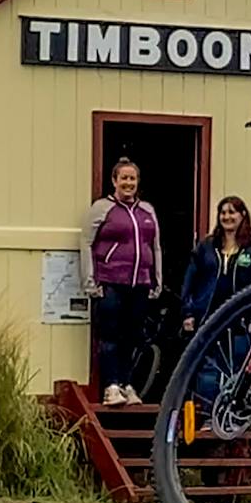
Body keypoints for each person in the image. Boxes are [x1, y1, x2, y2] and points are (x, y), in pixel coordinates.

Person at [83, 158, 163, 406]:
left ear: (138, 182)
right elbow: (86, 243)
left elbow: (155, 247)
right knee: (110, 335)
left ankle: (127, 385)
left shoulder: (147, 210)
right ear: (114, 181)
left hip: (139, 282)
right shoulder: (102, 208)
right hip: (110, 281)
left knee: (133, 336)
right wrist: (89, 281)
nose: (128, 183)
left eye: (132, 178)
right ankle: (111, 386)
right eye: (124, 178)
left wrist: (156, 280)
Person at [180, 196, 251, 334]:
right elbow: (189, 282)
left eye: (232, 212)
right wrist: (188, 313)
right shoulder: (206, 246)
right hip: (205, 321)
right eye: (223, 213)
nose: (227, 217)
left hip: (240, 324)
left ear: (243, 215)